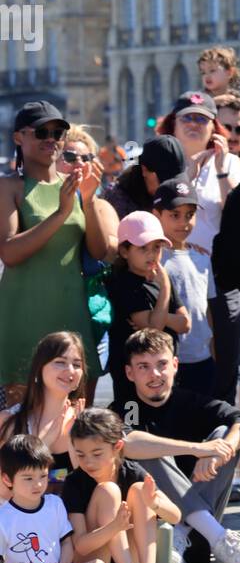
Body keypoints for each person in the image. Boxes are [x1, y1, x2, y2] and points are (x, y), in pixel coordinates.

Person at [112, 329, 240, 563]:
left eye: (162, 364)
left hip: (195, 538)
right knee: (148, 448)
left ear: (175, 365)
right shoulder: (128, 406)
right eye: (144, 367)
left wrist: (218, 452)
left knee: (225, 435)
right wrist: (197, 449)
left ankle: (184, 530)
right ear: (129, 373)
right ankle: (218, 538)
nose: (155, 374)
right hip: (154, 529)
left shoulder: (191, 402)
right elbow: (128, 443)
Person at [0, 101, 112, 403]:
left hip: (71, 313)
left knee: (76, 413)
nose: (51, 139)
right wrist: (61, 213)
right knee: (21, 419)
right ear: (19, 137)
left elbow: (99, 251)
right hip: (23, 316)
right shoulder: (8, 187)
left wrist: (88, 201)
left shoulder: (75, 186)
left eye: (57, 132)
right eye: (41, 132)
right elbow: (9, 252)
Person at [159, 90, 240, 404]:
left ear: (213, 128)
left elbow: (238, 214)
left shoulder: (230, 162)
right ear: (173, 124)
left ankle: (220, 421)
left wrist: (220, 169)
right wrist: (187, 175)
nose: (194, 124)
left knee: (224, 360)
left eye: (202, 119)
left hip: (220, 274)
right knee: (172, 360)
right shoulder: (161, 160)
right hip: (171, 273)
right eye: (187, 118)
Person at [65, 408, 179, 563]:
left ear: (117, 446)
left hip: (133, 559)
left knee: (140, 489)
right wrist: (113, 527)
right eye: (80, 455)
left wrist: (155, 503)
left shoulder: (132, 472)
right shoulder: (75, 483)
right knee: (108, 490)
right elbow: (81, 547)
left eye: (96, 454)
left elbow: (176, 516)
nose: (88, 462)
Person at [0, 434, 106, 563]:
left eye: (43, 476)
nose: (38, 484)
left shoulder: (54, 504)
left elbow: (66, 543)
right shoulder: (4, 516)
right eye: (28, 478)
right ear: (7, 479)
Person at [106, 211, 190, 407]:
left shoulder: (161, 278)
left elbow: (185, 324)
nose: (152, 254)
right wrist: (165, 289)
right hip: (132, 376)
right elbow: (154, 329)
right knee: (132, 419)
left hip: (162, 373)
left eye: (157, 247)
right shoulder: (124, 284)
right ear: (125, 251)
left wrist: (157, 316)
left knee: (164, 419)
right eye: (143, 248)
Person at [0, 331, 87, 496]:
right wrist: (42, 446)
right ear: (39, 369)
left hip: (72, 511)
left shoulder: (87, 421)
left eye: (77, 365)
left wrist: (78, 443)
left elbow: (90, 487)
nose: (70, 370)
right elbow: (4, 491)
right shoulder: (8, 422)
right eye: (60, 362)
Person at [153, 178, 215, 397]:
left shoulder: (203, 258)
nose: (184, 222)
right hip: (167, 360)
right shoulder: (152, 259)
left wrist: (212, 350)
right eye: (174, 215)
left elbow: (206, 309)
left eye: (189, 215)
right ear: (156, 215)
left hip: (203, 358)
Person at [102, 136, 187, 221]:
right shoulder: (117, 199)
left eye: (176, 181)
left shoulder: (179, 194)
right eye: (164, 181)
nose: (171, 188)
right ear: (145, 170)